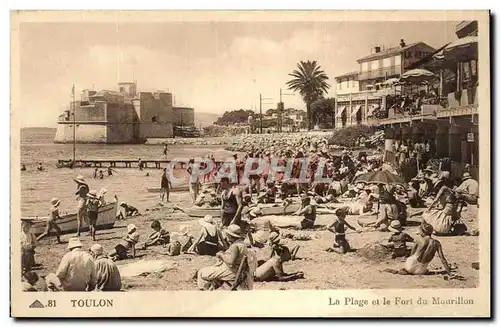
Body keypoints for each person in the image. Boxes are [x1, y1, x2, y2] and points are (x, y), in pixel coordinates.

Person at [196, 224, 254, 290]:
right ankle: (212, 288)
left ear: (230, 235)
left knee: (201, 272)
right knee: (214, 270)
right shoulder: (242, 244)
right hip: (239, 272)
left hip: (231, 273)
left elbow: (230, 262)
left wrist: (221, 255)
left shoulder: (235, 246)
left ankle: (202, 291)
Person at [386, 223, 452, 276]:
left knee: (412, 258)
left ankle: (405, 271)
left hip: (410, 266)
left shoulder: (419, 240)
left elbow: (412, 254)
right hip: (421, 270)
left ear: (423, 232)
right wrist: (449, 272)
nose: (419, 233)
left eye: (420, 232)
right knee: (425, 269)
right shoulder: (437, 243)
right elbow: (442, 259)